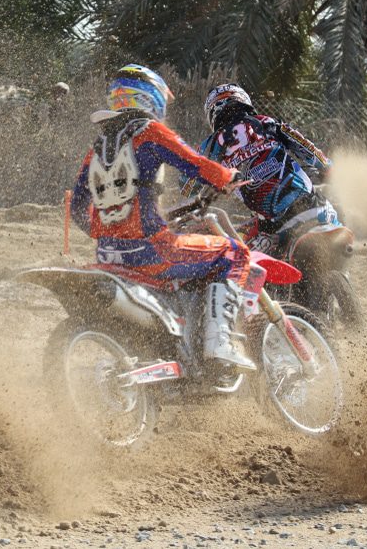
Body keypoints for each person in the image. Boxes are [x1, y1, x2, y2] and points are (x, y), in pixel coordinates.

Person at [70, 65, 256, 371]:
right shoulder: (149, 132)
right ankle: (218, 344)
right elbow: (192, 162)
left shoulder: (98, 147)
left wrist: (108, 230)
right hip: (153, 251)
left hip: (107, 255)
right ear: (149, 98)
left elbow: (77, 205)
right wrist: (226, 176)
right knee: (233, 253)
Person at [188, 83, 339, 255]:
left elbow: (188, 184)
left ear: (213, 113)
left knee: (244, 263)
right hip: (312, 204)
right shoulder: (266, 122)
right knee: (338, 231)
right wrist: (328, 168)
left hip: (273, 226)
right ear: (243, 100)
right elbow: (307, 148)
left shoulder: (211, 146)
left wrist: (193, 198)